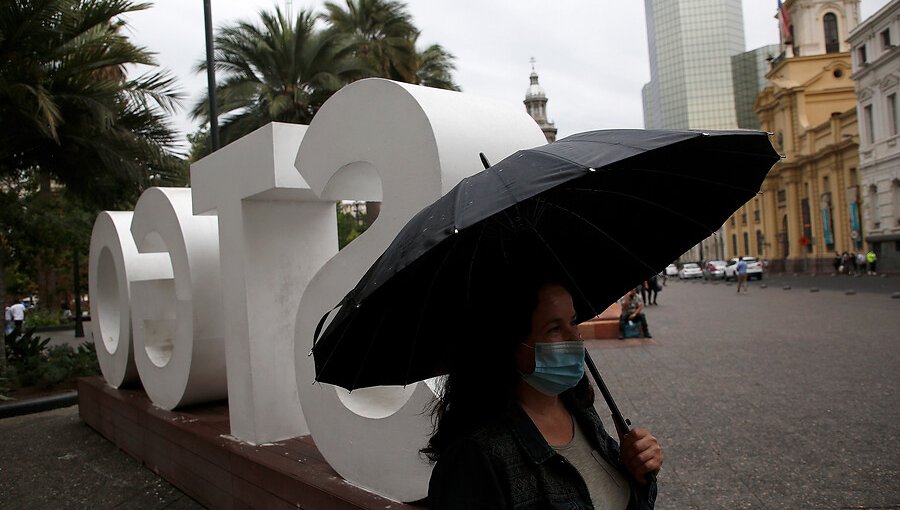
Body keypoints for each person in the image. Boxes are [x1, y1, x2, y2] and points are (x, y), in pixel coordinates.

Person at [425, 276, 662, 509]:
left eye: (573, 321)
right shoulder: (474, 460)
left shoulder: (578, 407)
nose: (574, 337)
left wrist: (635, 470)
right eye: (554, 329)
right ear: (509, 345)